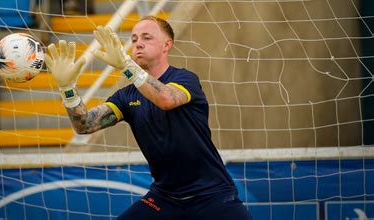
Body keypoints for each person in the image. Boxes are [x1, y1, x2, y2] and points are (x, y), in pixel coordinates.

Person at [44, 16, 252, 219]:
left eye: (147, 38)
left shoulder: (185, 79)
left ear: (166, 45)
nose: (138, 44)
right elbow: (85, 125)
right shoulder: (126, 96)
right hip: (165, 198)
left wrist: (126, 65)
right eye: (134, 39)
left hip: (212, 196)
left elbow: (165, 99)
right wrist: (67, 90)